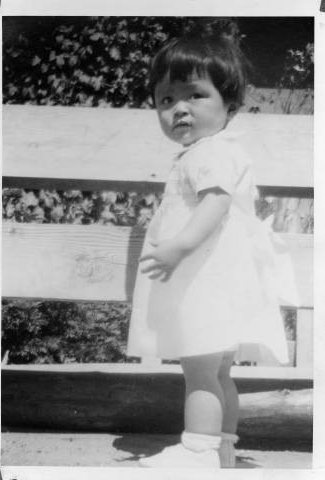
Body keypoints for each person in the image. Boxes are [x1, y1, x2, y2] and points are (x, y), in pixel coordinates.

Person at [126, 33, 296, 469]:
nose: (179, 108)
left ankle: (198, 452)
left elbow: (216, 204)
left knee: (199, 369)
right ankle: (222, 449)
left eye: (196, 95)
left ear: (230, 107)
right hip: (219, 280)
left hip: (203, 280)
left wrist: (178, 246)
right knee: (219, 371)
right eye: (166, 99)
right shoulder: (214, 151)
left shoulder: (208, 153)